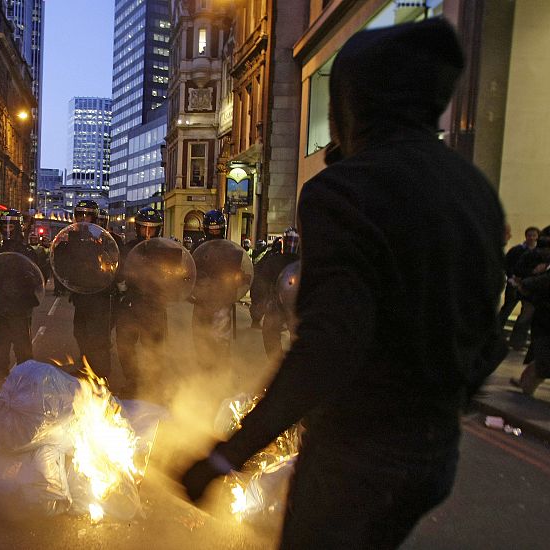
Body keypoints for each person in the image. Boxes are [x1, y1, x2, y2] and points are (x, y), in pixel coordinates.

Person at [181, 19, 505, 549]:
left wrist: (228, 455)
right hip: (433, 456)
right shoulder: (474, 189)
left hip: (357, 456)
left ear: (354, 103)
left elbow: (329, 345)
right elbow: (488, 337)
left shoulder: (345, 191)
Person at [115, 207, 166, 395]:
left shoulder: (165, 250)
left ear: (158, 229)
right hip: (131, 304)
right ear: (137, 228)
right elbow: (118, 271)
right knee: (125, 345)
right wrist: (121, 282)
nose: (147, 232)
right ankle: (132, 381)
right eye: (144, 227)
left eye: (152, 228)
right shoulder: (128, 248)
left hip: (154, 305)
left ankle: (153, 385)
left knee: (154, 347)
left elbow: (174, 275)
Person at [0, 209, 40, 378]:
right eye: (5, 226)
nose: (8, 229)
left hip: (20, 304)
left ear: (17, 227)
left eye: (11, 226)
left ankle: (25, 372)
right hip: (2, 302)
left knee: (21, 341)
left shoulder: (26, 251)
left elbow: (36, 277)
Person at [68, 199, 114, 378]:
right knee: (80, 332)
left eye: (87, 215)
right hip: (81, 295)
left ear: (94, 218)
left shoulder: (105, 240)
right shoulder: (72, 239)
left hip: (100, 295)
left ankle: (101, 374)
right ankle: (86, 368)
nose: (83, 219)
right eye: (80, 215)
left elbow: (113, 263)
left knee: (99, 337)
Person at [190, 209, 235, 361]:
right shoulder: (198, 248)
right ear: (206, 229)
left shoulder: (230, 249)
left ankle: (221, 369)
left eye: (217, 230)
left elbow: (237, 271)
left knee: (221, 340)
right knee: (200, 337)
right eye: (212, 230)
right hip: (202, 300)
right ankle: (204, 367)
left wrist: (241, 278)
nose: (214, 233)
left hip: (222, 300)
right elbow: (191, 270)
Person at [511, 226, 550, 396]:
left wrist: (525, 284)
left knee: (543, 357)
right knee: (542, 357)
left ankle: (526, 385)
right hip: (543, 313)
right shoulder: (535, 257)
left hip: (544, 315)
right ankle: (526, 385)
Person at [254, 230, 300, 359]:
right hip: (288, 303)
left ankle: (278, 360)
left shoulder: (275, 260)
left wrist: (260, 300)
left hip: (284, 303)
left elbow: (261, 278)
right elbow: (262, 279)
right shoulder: (300, 262)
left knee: (271, 332)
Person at [499, 226, 540, 349]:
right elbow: (507, 264)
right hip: (514, 285)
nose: (531, 237)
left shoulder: (539, 252)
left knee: (525, 315)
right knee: (507, 309)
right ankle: (495, 335)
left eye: (534, 235)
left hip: (529, 287)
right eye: (529, 235)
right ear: (526, 236)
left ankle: (517, 341)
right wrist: (512, 277)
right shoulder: (517, 250)